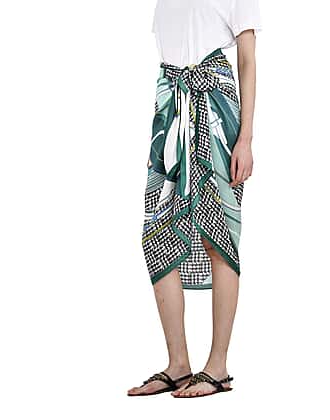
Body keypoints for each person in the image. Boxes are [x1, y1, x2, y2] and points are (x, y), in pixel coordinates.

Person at [127, 0, 262, 398]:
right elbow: (170, 58)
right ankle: (178, 364)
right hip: (171, 110)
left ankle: (217, 367)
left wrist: (245, 139)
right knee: (156, 237)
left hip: (216, 109)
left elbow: (248, 61)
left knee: (217, 234)